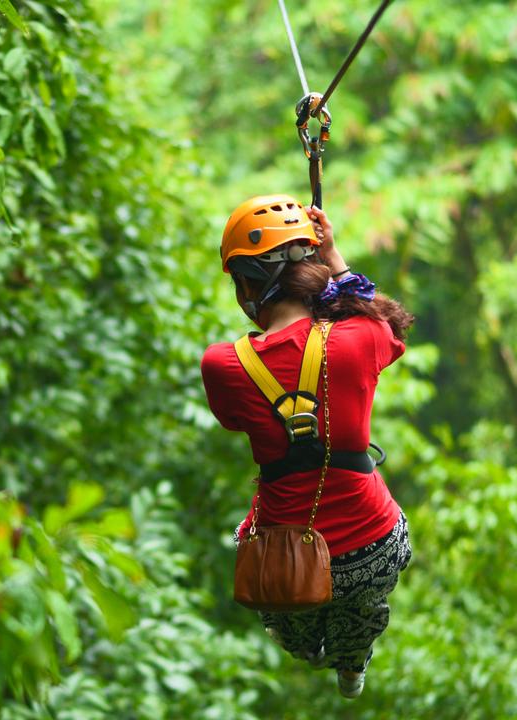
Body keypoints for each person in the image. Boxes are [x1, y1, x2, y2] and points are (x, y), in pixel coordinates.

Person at [200, 194, 413, 698]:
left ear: (248, 287)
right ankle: (354, 650)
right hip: (374, 547)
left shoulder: (223, 365)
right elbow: (387, 322)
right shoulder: (360, 337)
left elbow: (233, 420)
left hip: (282, 558)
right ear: (311, 273)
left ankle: (316, 648)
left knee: (289, 620)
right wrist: (332, 258)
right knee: (362, 602)